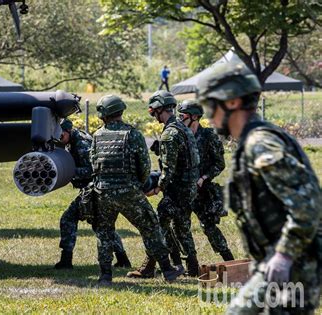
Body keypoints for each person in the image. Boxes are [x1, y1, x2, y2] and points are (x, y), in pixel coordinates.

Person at [197, 62, 321, 314]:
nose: (208, 115)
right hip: (275, 263)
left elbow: (308, 203)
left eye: (211, 105)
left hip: (296, 265)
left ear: (231, 103)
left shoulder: (260, 144)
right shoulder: (253, 141)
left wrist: (284, 255)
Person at [91, 95, 184, 285]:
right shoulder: (132, 134)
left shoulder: (97, 135)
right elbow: (144, 167)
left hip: (103, 193)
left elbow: (94, 164)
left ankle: (105, 276)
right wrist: (139, 186)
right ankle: (167, 270)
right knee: (150, 227)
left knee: (105, 233)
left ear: (103, 115)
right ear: (120, 111)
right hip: (129, 192)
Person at [127, 91, 201, 278]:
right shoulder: (183, 129)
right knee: (182, 228)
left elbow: (168, 170)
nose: (154, 117)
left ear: (160, 109)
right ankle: (193, 269)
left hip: (177, 190)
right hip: (189, 188)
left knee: (158, 225)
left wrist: (157, 187)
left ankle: (149, 268)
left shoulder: (170, 134)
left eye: (154, 113)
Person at [54, 119, 131, 269]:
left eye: (60, 135)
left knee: (69, 218)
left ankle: (66, 260)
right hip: (93, 189)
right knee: (100, 225)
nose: (59, 138)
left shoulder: (82, 145)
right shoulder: (75, 139)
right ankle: (123, 259)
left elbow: (93, 170)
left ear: (68, 131)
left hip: (94, 189)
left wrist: (70, 172)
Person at [177, 100, 234, 262]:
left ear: (195, 117)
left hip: (202, 191)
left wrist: (204, 178)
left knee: (208, 226)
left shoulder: (209, 136)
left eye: (183, 115)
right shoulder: (179, 136)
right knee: (181, 227)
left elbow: (219, 164)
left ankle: (228, 260)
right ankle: (191, 265)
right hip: (184, 190)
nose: (180, 118)